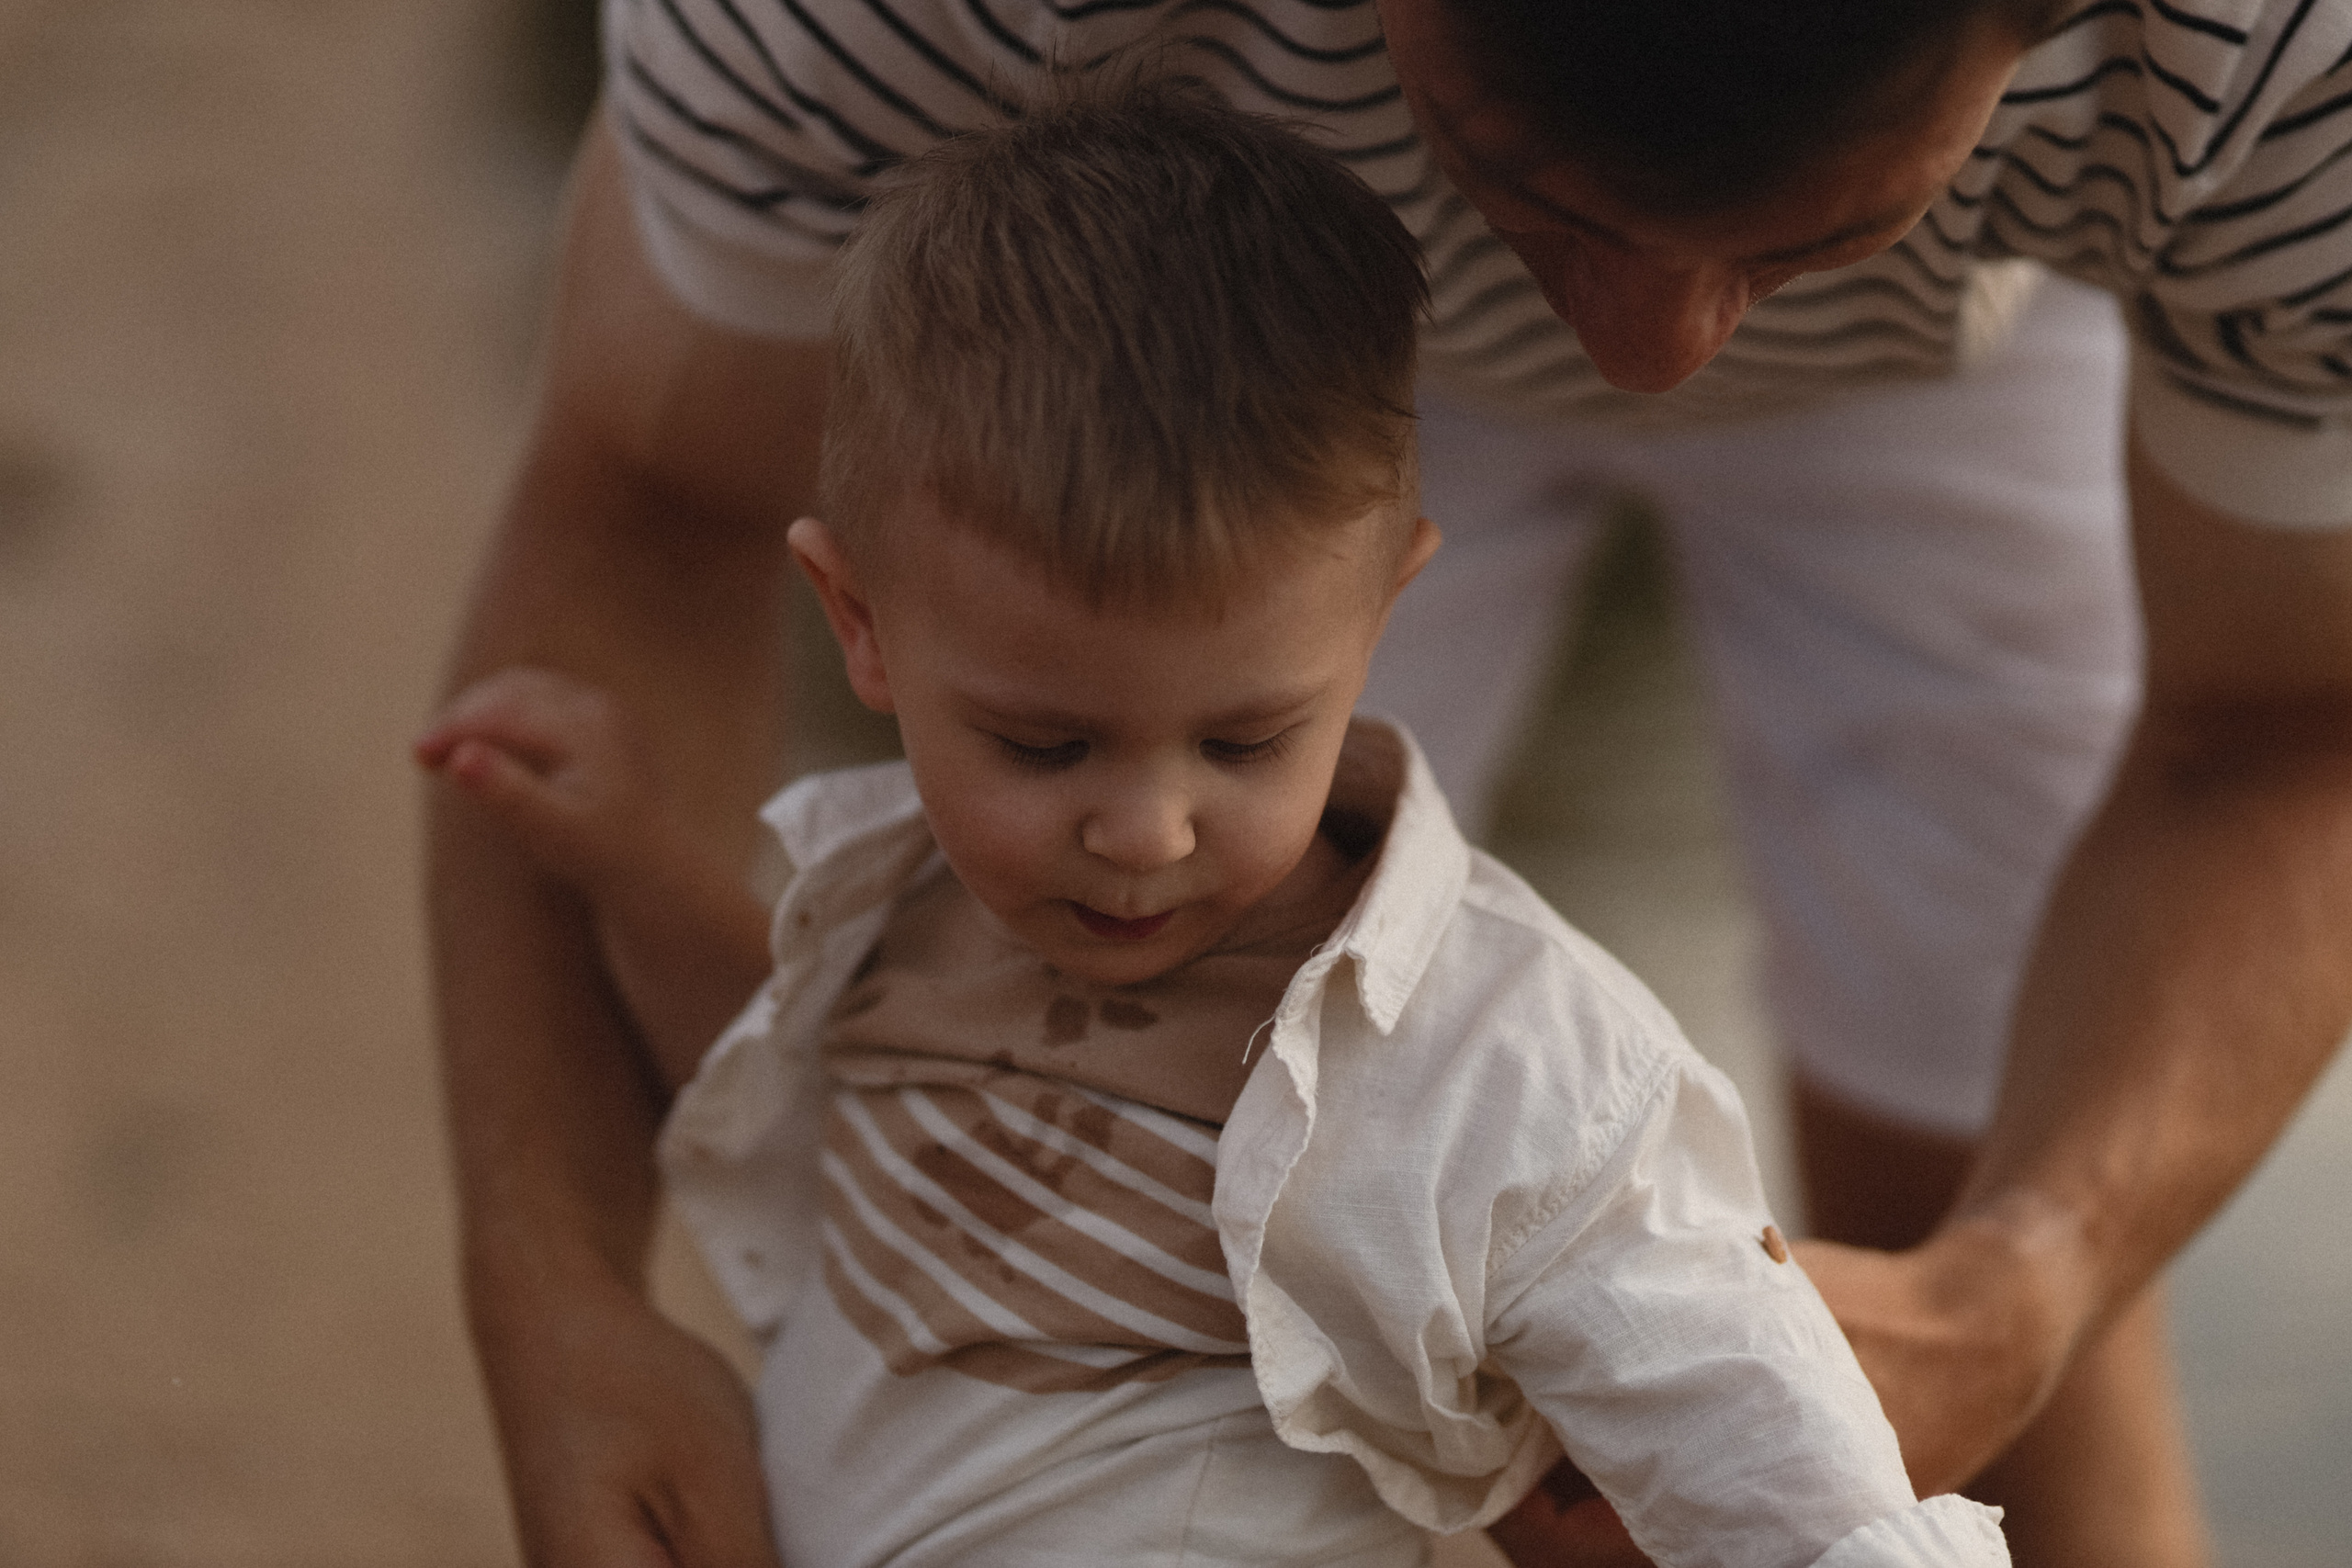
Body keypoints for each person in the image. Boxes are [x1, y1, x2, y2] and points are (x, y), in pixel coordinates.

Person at [426, 1, 2352, 1564]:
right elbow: (649, 501)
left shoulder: (2284, 63)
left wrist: (2018, 1282)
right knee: (1129, 984)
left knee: (1942, 1270)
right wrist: (560, 1302)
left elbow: (2287, 723)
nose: (1645, 355)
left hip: (1959, 357)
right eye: (1544, 190)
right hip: (1216, 350)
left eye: (1792, 232)